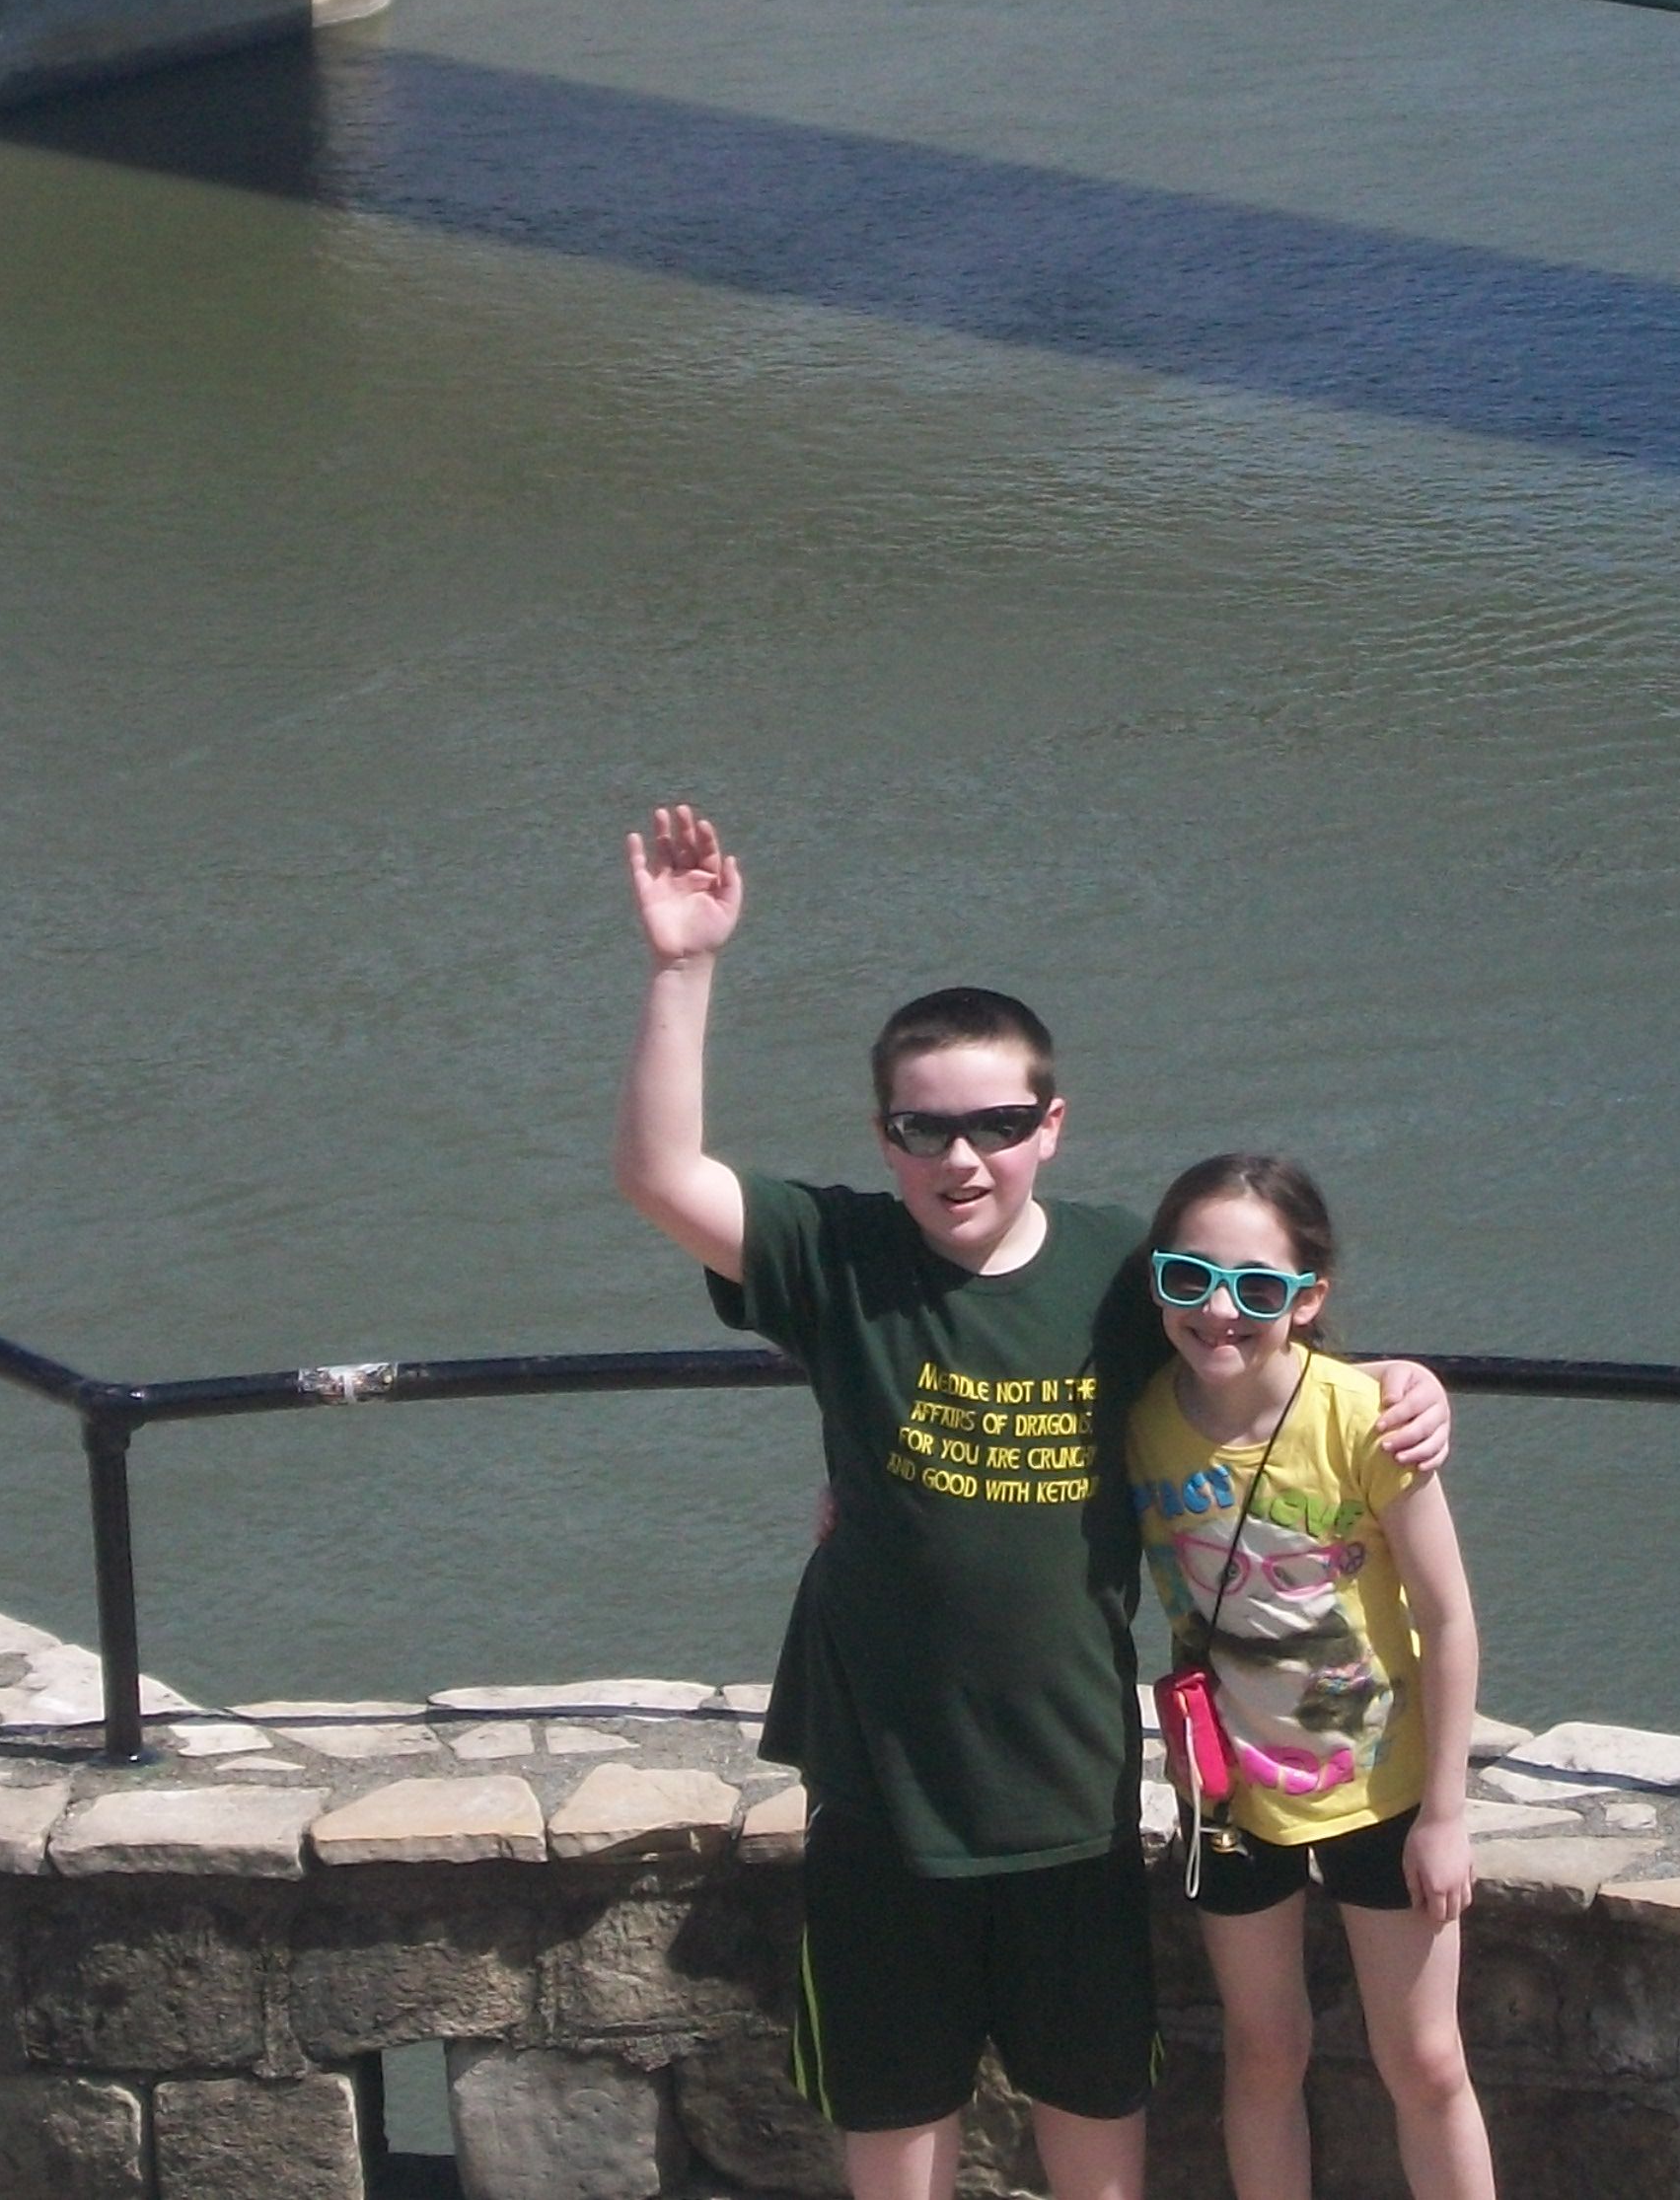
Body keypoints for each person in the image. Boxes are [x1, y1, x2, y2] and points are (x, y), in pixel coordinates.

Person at [611, 804, 1452, 2200]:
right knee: (897, 2149)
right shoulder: (844, 1255)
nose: (963, 1159)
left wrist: (1406, 1383)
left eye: (998, 1125)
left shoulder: (1130, 1270)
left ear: (1051, 1126)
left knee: (1098, 2152)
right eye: (924, 1128)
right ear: (881, 1135)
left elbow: (1256, 1330)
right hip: (881, 1801)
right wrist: (682, 968)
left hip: (1073, 1800)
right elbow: (659, 1177)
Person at [1129, 1154, 1494, 2200]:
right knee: (1263, 2051)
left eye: (1257, 1288)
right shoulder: (1137, 1419)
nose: (1219, 1312)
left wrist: (1446, 1813)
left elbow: (1446, 1613)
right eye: (1188, 1278)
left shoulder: (1361, 1418)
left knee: (1424, 2062)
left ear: (1309, 1298)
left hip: (1388, 1788)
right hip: (1226, 1795)